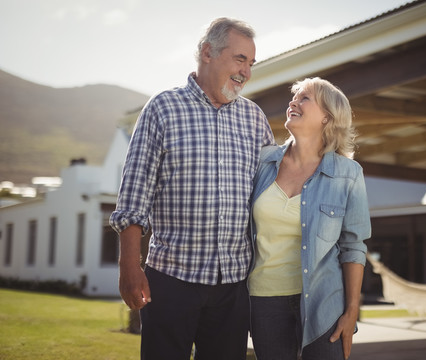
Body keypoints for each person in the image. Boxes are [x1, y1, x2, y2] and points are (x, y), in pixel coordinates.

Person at [110, 17, 275, 360]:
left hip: (233, 283)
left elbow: (269, 197)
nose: (246, 71)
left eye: (251, 63)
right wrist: (130, 265)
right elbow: (134, 194)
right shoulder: (162, 108)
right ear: (207, 53)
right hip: (171, 279)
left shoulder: (255, 119)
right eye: (239, 59)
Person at [248, 77, 371, 360]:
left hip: (323, 303)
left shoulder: (348, 174)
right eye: (294, 97)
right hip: (264, 303)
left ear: (327, 116)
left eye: (304, 98)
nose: (293, 102)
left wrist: (351, 311)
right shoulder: (262, 163)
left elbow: (354, 247)